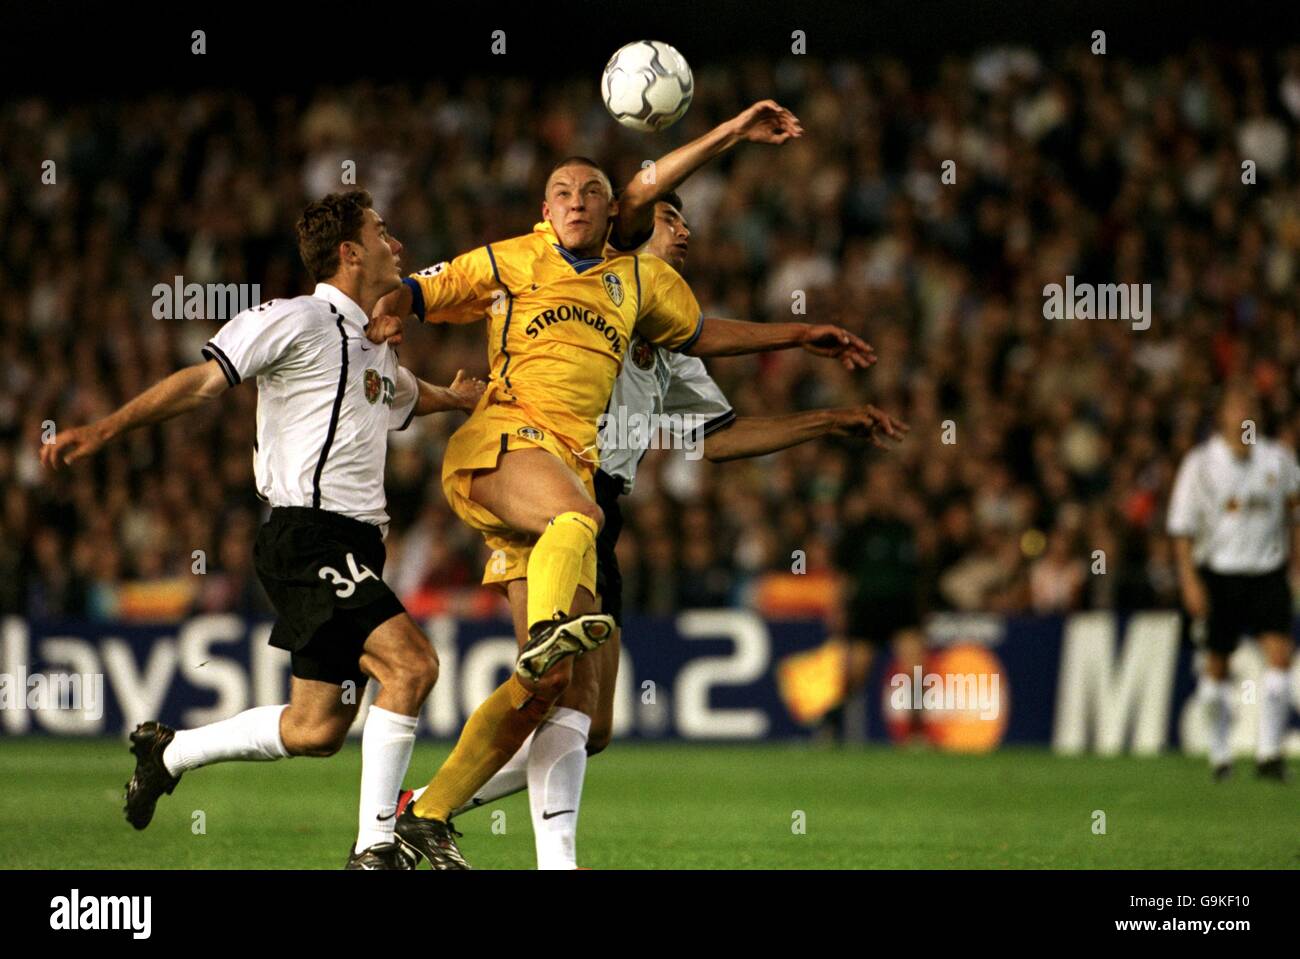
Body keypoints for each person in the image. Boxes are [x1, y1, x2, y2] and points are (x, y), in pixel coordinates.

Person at [366, 143, 876, 868]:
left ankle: (428, 810)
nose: (680, 230)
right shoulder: (520, 259)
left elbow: (715, 402)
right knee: (574, 543)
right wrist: (385, 315)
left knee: (568, 703)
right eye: (667, 219)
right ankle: (557, 858)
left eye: (591, 193)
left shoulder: (647, 305)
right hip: (522, 459)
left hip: (579, 485)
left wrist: (806, 355)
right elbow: (420, 288)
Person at [41, 190, 483, 868]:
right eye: (382, 231)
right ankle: (375, 848)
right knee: (413, 663)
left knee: (317, 728)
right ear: (351, 251)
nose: (397, 244)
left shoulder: (374, 344)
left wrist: (452, 397)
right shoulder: (295, 317)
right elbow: (202, 382)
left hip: (355, 545)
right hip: (309, 537)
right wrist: (104, 428)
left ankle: (171, 752)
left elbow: (399, 393)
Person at [1168, 383, 1298, 781]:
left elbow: (1295, 510)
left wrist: (1294, 565)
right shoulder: (1201, 465)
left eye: (1251, 405)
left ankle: (1269, 753)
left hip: (1267, 572)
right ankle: (1221, 751)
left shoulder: (1278, 459)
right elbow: (1181, 529)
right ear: (1221, 417)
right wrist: (1190, 581)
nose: (1245, 413)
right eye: (1237, 405)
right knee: (1216, 666)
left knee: (1280, 654)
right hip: (1219, 575)